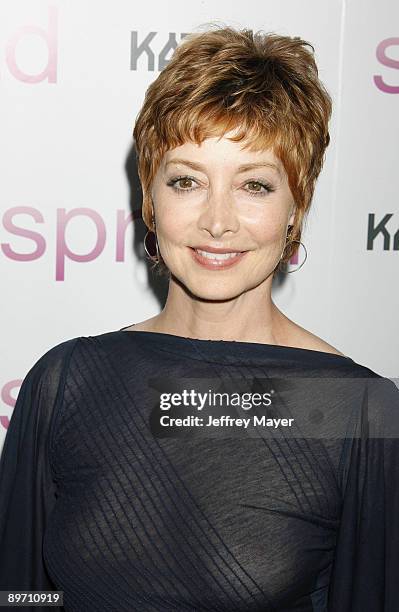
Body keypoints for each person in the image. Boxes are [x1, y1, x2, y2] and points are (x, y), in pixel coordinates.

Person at [0, 24, 398, 612]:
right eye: (187, 180)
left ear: (297, 208)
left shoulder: (356, 411)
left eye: (255, 185)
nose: (218, 221)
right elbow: (19, 595)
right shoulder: (68, 381)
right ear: (150, 200)